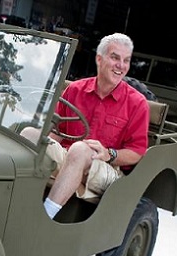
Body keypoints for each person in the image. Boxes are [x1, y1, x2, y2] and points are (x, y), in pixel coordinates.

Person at [22, 32, 149, 219]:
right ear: (99, 59)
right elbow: (58, 131)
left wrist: (109, 154)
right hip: (69, 157)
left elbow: (137, 152)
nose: (121, 66)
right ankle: (16, 202)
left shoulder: (137, 103)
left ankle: (44, 217)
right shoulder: (75, 89)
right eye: (115, 58)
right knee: (29, 134)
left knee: (81, 149)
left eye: (126, 60)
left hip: (106, 169)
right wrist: (41, 140)